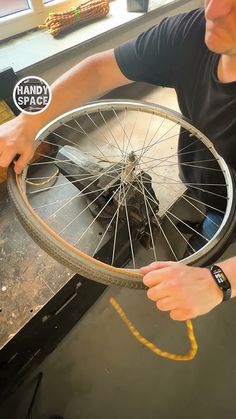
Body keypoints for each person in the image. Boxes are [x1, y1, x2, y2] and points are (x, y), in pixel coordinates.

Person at [0, 0, 236, 321]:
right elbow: (98, 71)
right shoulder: (190, 32)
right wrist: (27, 122)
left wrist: (221, 280)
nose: (214, 11)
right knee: (210, 229)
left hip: (228, 211)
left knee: (215, 249)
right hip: (209, 187)